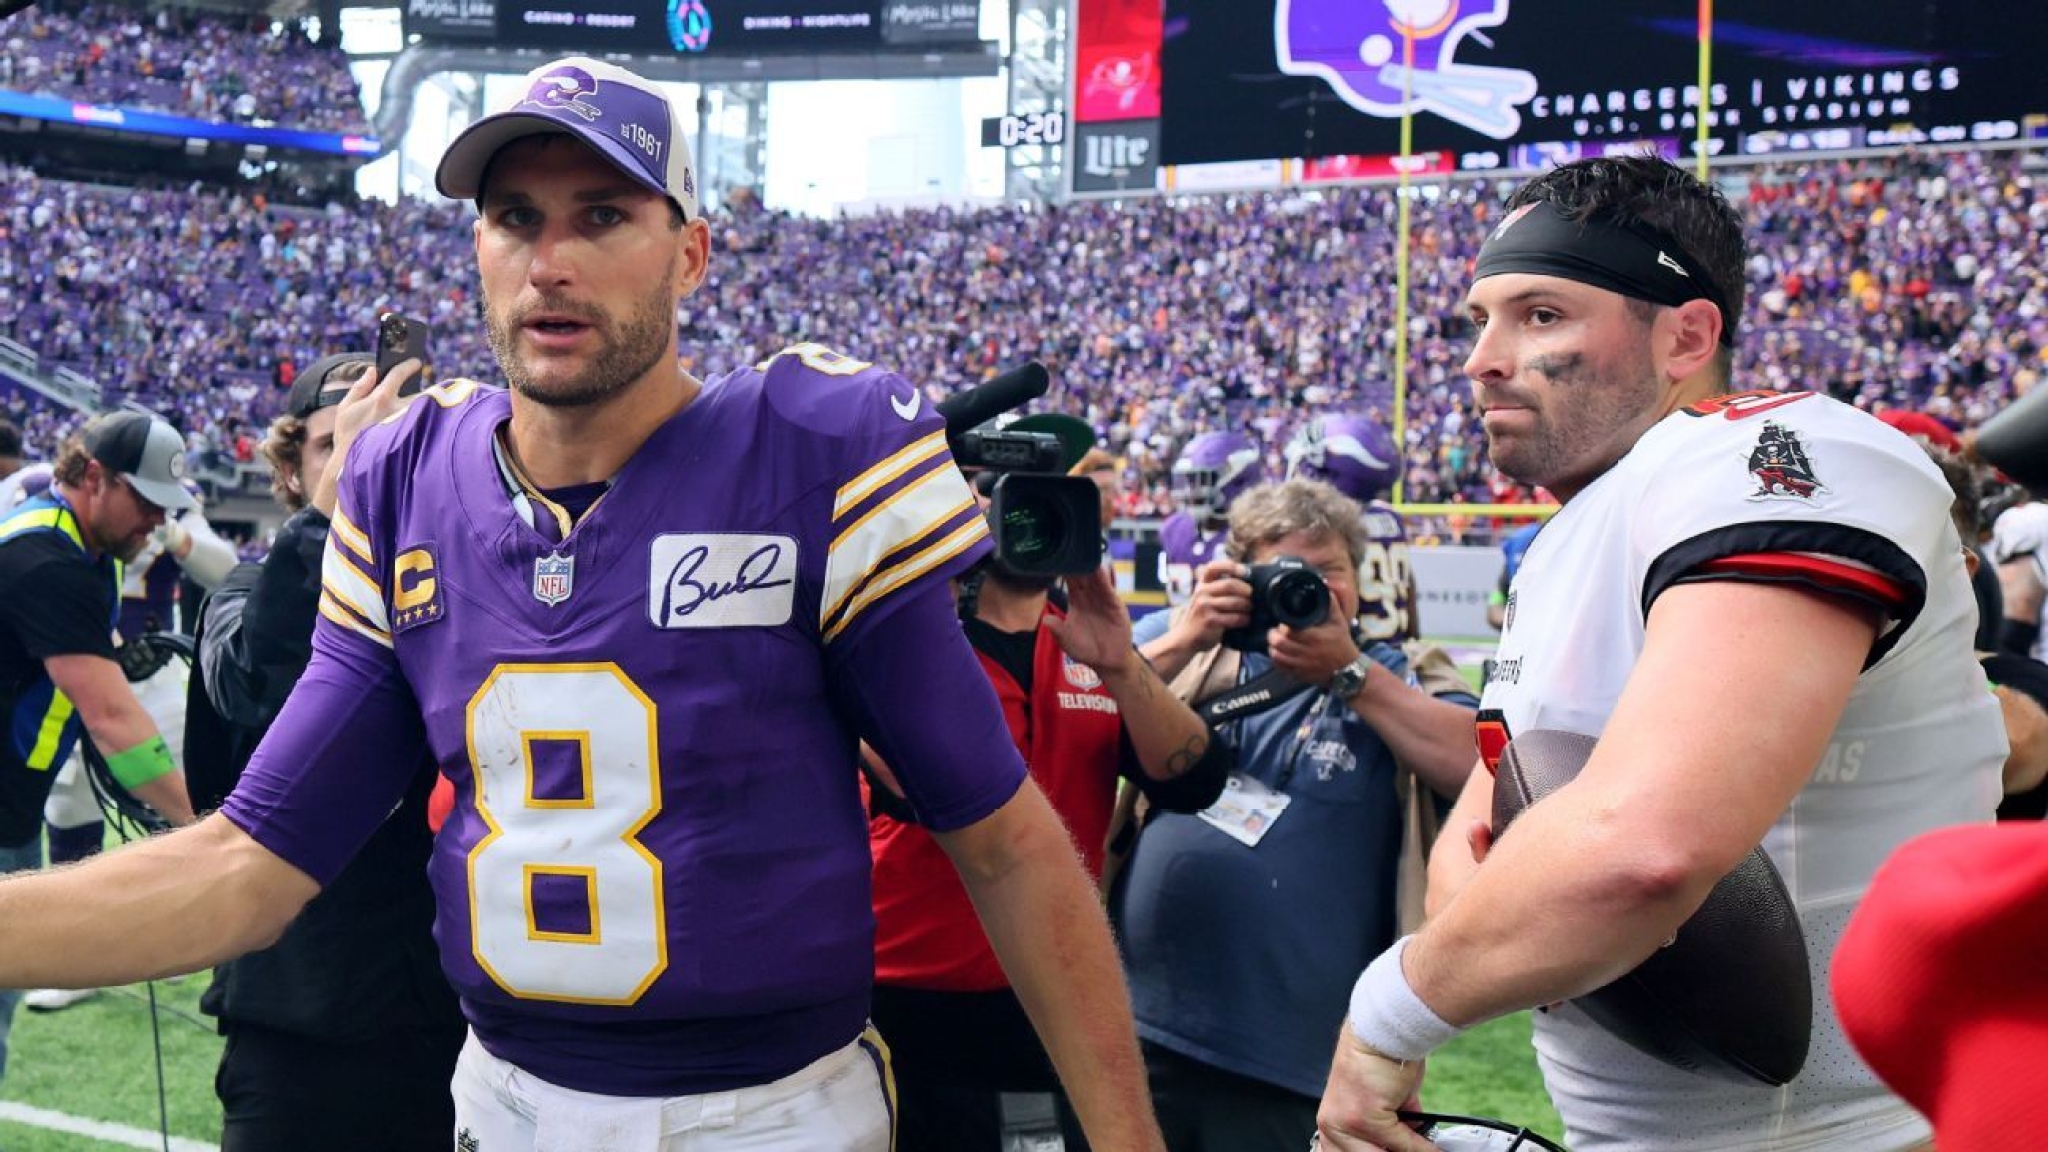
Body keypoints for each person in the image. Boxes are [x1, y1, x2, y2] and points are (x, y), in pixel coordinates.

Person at [0, 56, 1164, 1152]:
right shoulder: (406, 479)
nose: (550, 259)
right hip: (502, 1102)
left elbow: (1005, 847)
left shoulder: (815, 451)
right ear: (476, 250)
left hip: (768, 1114)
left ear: (690, 254)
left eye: (602, 215)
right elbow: (247, 866)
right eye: (516, 217)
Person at [1317, 155, 2006, 1152]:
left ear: (1684, 334)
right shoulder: (1577, 533)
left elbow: (1640, 851)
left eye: (1540, 314)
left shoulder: (1779, 457)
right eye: (1479, 320)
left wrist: (1388, 1012)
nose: (1481, 358)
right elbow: (1474, 860)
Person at [867, 422, 1231, 1152]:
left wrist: (1123, 663)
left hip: (1043, 999)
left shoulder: (1083, 641)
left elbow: (1193, 778)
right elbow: (928, 792)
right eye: (991, 493)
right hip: (891, 1001)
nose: (1019, 513)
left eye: (1043, 492)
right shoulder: (895, 639)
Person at [1115, 478, 1478, 1151]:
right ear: (1237, 573)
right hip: (1130, 1030)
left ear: (1358, 577)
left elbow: (1479, 765)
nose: (1307, 586)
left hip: (1288, 1061)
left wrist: (1351, 673)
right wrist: (1188, 636)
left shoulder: (1402, 672)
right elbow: (1078, 703)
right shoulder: (1190, 645)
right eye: (1283, 568)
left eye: (1328, 569)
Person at [183, 350, 464, 1151]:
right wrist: (341, 513)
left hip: (458, 1016)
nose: (365, 461)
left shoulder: (475, 597)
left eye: (393, 443)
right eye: (334, 444)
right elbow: (257, 683)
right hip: (299, 1019)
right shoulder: (242, 590)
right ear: (292, 472)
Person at [0, 411, 199, 1082]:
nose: (153, 520)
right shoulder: (46, 559)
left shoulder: (78, 545)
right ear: (93, 477)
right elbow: (114, 720)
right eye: (144, 500)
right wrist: (200, 831)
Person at [1160, 430, 1264, 604]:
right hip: (1182, 623)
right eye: (1189, 480)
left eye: (1203, 480)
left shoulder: (1255, 534)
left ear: (1238, 480)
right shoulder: (1174, 528)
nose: (1191, 490)